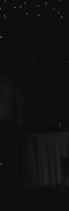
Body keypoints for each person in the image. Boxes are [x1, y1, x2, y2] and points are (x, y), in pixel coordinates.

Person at [0, 62, 25, 191]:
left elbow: (19, 102)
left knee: (11, 156)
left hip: (9, 125)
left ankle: (13, 185)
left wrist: (19, 123)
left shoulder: (10, 82)